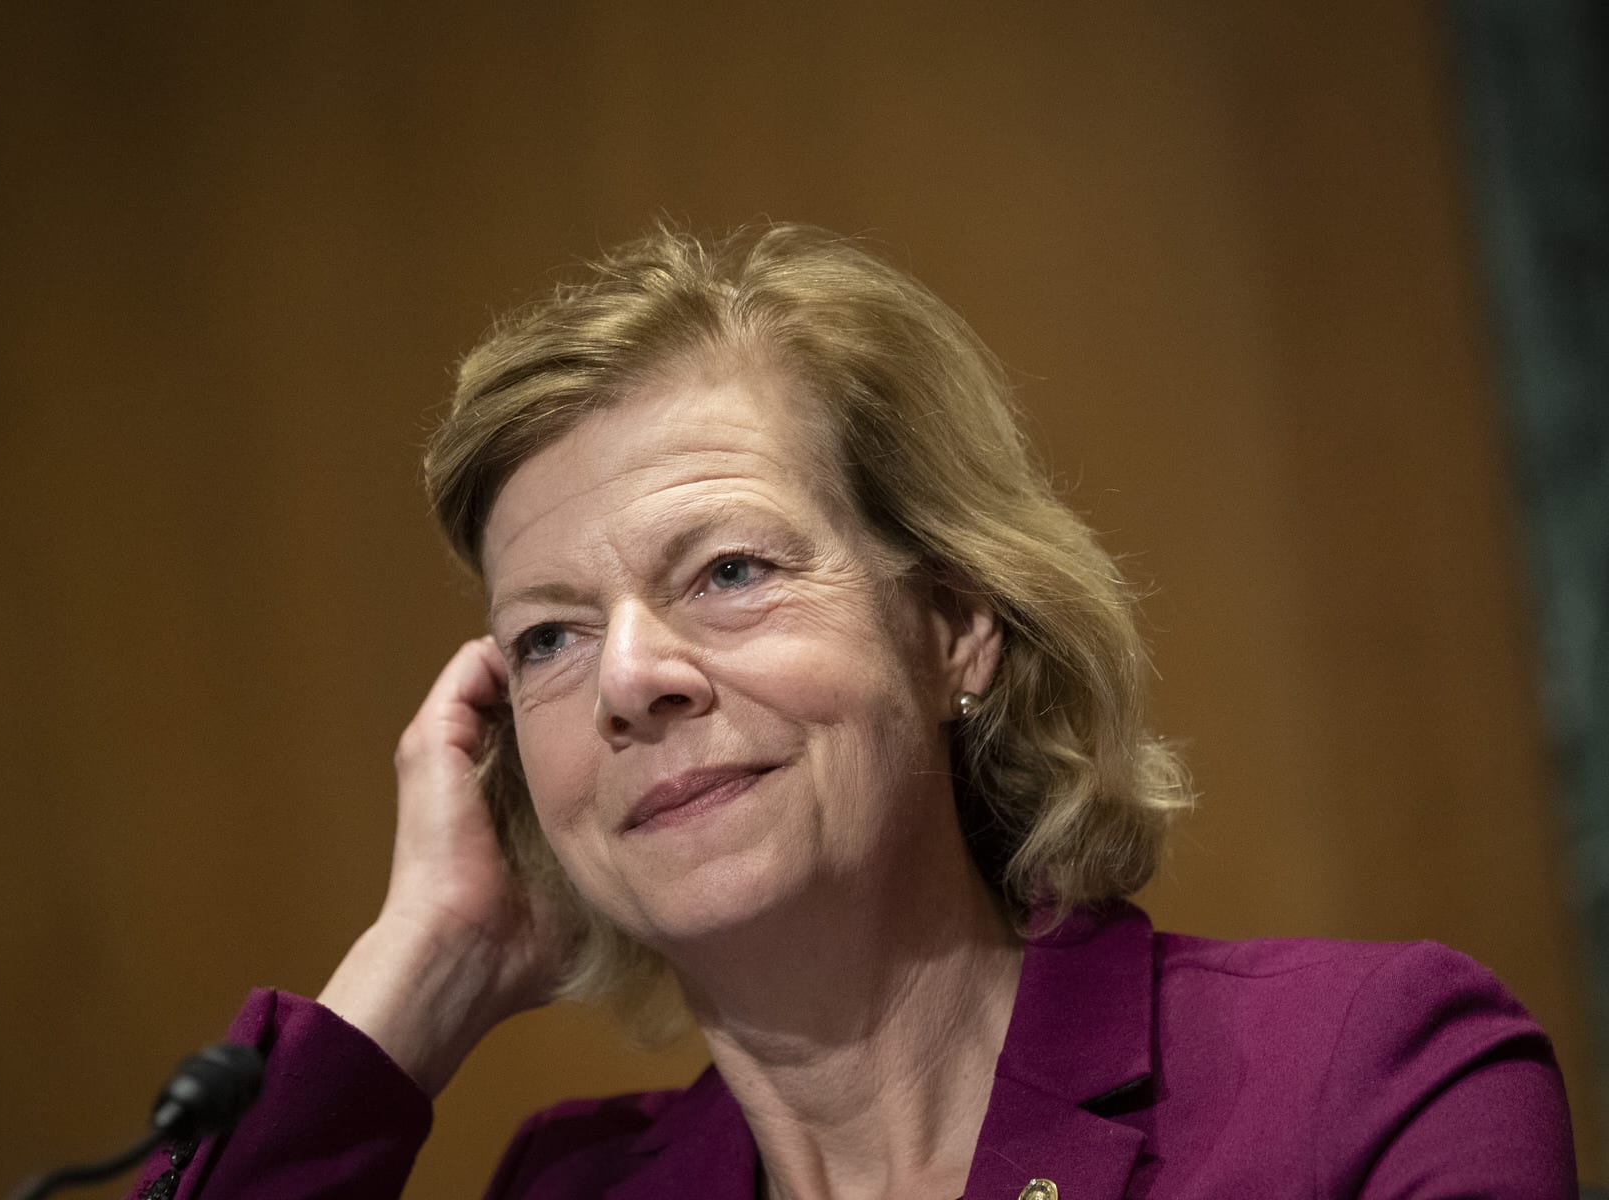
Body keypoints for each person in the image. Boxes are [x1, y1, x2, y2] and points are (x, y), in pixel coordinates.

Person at [128, 224, 1576, 1200]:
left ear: (955, 625)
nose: (633, 677)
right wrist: (419, 974)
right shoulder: (577, 1188)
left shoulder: (1369, 1080)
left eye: (732, 571)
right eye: (553, 637)